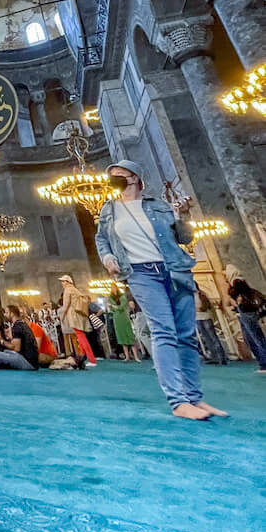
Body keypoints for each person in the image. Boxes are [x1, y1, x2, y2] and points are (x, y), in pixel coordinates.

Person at [96, 160, 226, 419]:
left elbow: (185, 238)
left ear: (134, 177)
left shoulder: (158, 205)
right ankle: (178, 402)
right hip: (140, 274)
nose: (113, 180)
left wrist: (183, 216)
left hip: (174, 269)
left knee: (186, 335)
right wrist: (108, 258)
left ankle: (194, 398)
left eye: (118, 175)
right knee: (164, 332)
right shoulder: (109, 210)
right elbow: (102, 238)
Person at [224, 265, 266, 372]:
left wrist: (230, 294)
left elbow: (236, 298)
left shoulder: (236, 282)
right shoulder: (239, 281)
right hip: (246, 313)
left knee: (256, 339)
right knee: (251, 339)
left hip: (246, 313)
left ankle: (264, 363)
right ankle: (262, 362)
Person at [58, 276, 97, 366]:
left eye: (63, 281)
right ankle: (82, 357)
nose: (62, 283)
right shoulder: (74, 289)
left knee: (81, 337)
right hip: (79, 314)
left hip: (73, 315)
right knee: (80, 337)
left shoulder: (67, 290)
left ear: (67, 282)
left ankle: (91, 359)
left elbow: (66, 305)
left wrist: (62, 316)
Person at [0, 304, 39, 370]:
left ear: (12, 314)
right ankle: (6, 364)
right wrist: (10, 337)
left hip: (28, 362)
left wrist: (0, 340)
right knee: (6, 352)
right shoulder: (22, 324)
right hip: (32, 361)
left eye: (6, 313)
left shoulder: (17, 326)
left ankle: (6, 364)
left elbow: (16, 349)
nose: (5, 315)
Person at [194, 285, 227, 366]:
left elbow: (202, 307)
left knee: (212, 337)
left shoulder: (200, 294)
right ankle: (215, 357)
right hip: (200, 317)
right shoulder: (197, 294)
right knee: (207, 338)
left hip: (204, 317)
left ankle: (220, 357)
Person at [108, 285, 138, 360]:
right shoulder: (110, 298)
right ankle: (127, 356)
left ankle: (136, 357)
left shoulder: (122, 296)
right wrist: (113, 307)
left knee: (130, 336)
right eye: (112, 288)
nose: (113, 289)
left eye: (114, 287)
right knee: (121, 337)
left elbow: (121, 307)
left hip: (124, 317)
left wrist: (114, 306)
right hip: (117, 319)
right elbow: (111, 310)